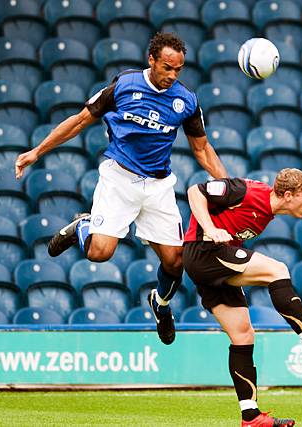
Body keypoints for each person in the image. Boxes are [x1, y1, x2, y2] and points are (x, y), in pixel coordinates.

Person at [14, 33, 228, 344]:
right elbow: (78, 121)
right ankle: (84, 225)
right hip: (119, 179)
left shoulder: (186, 101)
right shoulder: (124, 86)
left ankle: (160, 304)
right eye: (166, 67)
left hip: (157, 185)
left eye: (178, 70)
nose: (171, 75)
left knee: (175, 261)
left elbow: (202, 149)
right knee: (100, 254)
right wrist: (37, 151)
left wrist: (229, 185)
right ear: (151, 59)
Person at [183, 168, 302, 427]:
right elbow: (195, 191)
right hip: (205, 251)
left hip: (213, 261)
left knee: (242, 336)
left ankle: (250, 417)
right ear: (287, 195)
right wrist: (210, 228)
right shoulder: (247, 191)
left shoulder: (269, 210)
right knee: (277, 270)